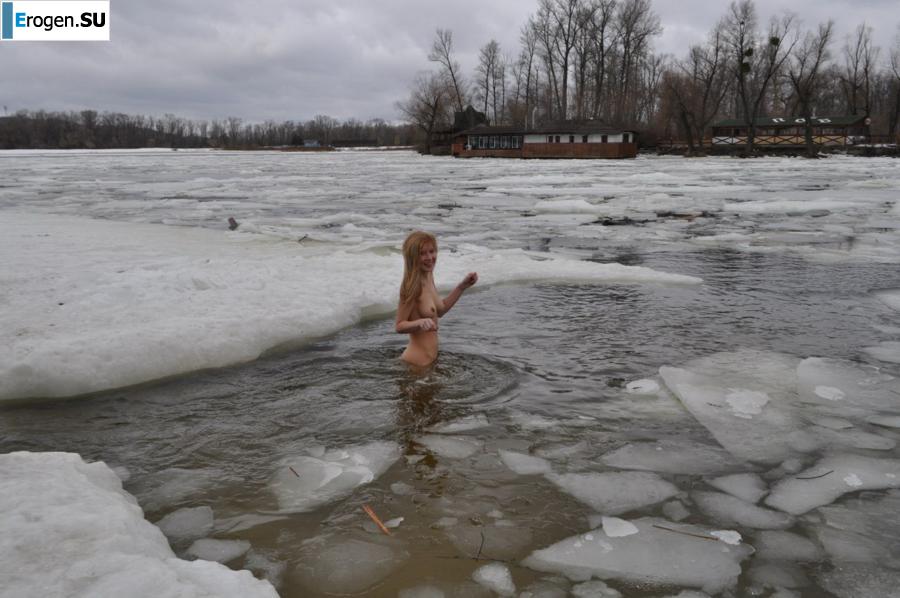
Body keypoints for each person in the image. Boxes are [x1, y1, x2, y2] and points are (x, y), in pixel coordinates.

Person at [395, 231, 478, 367]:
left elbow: (440, 311)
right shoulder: (411, 287)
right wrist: (420, 322)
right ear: (412, 257)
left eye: (432, 251)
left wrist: (462, 287)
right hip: (416, 365)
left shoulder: (428, 277)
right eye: (422, 253)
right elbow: (399, 326)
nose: (429, 257)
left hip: (430, 362)